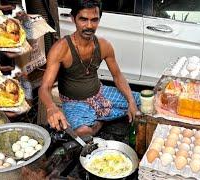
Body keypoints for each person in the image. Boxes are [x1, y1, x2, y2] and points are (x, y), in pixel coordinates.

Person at [39, 0, 140, 136]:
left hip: (99, 93)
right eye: (83, 19)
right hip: (74, 102)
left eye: (94, 20)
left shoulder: (104, 46)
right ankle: (101, 121)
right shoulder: (60, 48)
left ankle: (98, 115)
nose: (89, 26)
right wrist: (51, 108)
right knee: (83, 131)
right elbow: (44, 88)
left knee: (143, 102)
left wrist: (131, 101)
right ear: (73, 19)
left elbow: (117, 76)